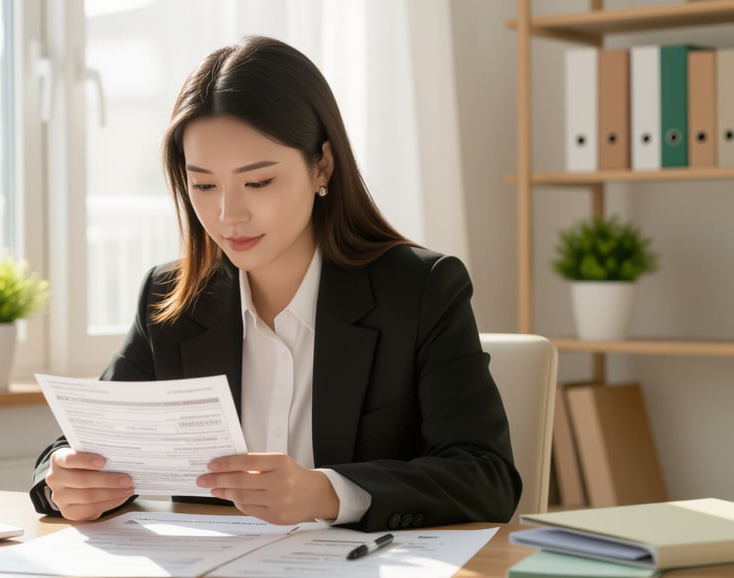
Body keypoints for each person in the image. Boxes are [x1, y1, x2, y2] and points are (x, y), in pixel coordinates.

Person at [30, 35, 521, 532]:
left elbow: (486, 477)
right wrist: (66, 481)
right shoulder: (170, 300)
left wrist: (328, 492)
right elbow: (82, 447)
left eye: (258, 182)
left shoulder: (420, 291)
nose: (228, 214)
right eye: (203, 185)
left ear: (322, 165)